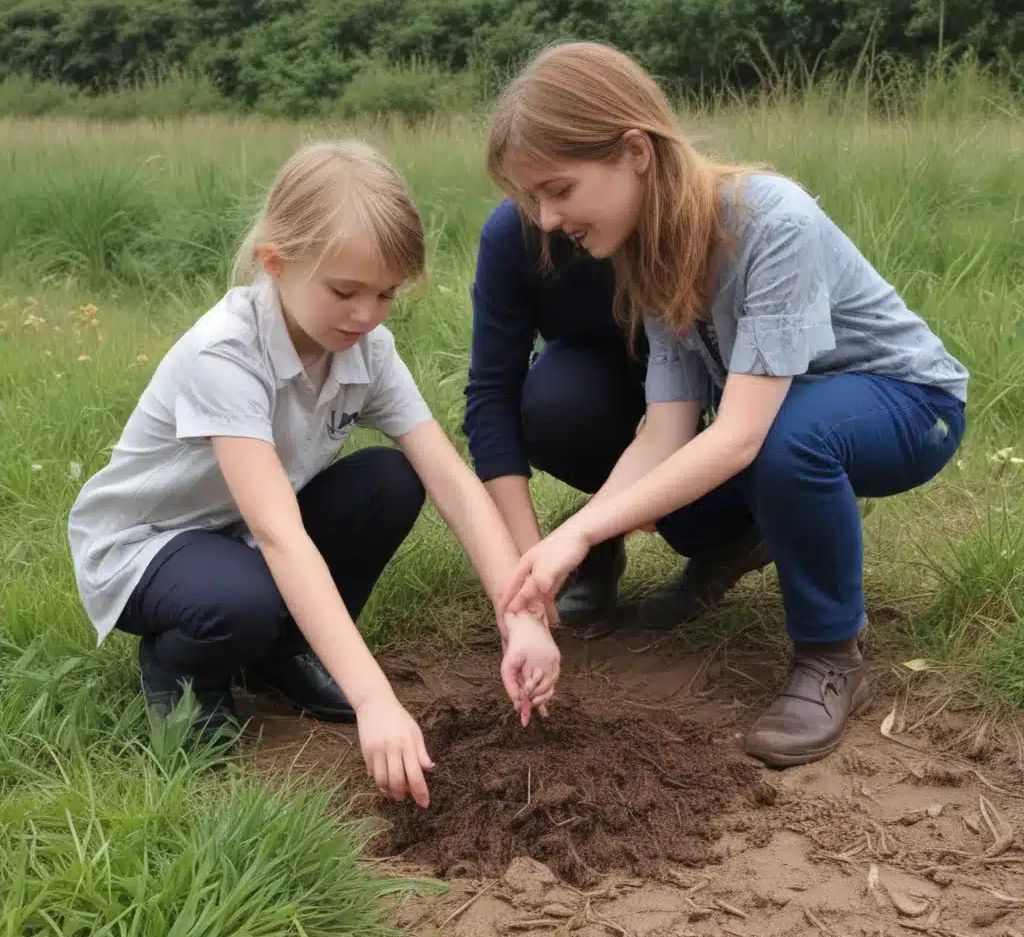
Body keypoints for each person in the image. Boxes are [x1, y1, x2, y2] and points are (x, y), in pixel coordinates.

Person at [489, 42, 968, 768]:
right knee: (670, 492)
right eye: (535, 200)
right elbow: (665, 432)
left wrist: (579, 536)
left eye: (559, 189)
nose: (548, 220)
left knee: (786, 440)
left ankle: (829, 653)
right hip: (792, 420)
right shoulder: (650, 252)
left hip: (912, 406)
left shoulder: (772, 220)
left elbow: (741, 433)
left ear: (635, 150)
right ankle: (754, 538)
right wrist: (579, 533)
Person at [68, 139, 560, 808]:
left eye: (386, 293)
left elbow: (452, 480)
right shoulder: (227, 354)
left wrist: (519, 616)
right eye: (344, 291)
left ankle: (281, 657)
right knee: (242, 599)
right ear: (276, 262)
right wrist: (374, 700)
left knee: (390, 480)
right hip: (150, 545)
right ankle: (180, 667)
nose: (366, 314)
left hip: (243, 535)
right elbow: (281, 536)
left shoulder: (365, 349)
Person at [463, 195, 747, 627]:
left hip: (721, 384)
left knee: (703, 504)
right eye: (529, 192)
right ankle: (601, 536)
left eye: (559, 188)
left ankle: (733, 536)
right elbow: (491, 393)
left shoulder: (688, 215)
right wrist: (529, 568)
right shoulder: (513, 233)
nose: (545, 216)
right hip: (607, 384)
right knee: (555, 408)